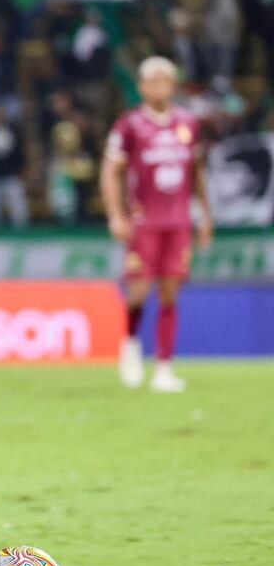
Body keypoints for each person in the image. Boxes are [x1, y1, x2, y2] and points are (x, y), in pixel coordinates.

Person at [100, 56, 213, 393]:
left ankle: (164, 368)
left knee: (170, 291)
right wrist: (116, 213)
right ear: (142, 86)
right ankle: (131, 341)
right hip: (144, 221)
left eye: (167, 80)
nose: (161, 86)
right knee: (138, 289)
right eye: (154, 80)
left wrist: (205, 214)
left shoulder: (189, 124)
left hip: (178, 222)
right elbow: (110, 170)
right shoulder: (130, 125)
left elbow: (198, 172)